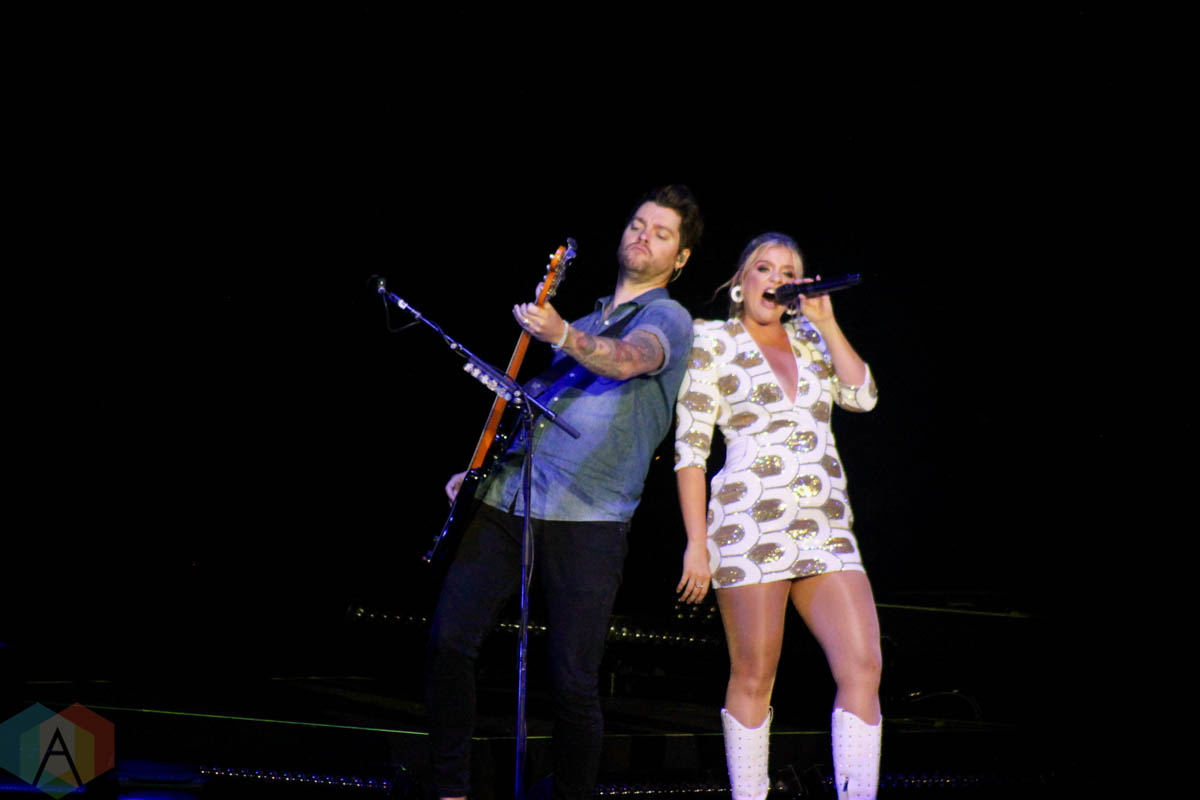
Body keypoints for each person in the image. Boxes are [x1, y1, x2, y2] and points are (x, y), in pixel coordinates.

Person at [427, 186, 702, 800]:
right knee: (449, 641)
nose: (643, 236)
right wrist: (480, 469)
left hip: (590, 517)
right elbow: (533, 411)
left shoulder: (669, 319)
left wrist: (562, 336)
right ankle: (449, 788)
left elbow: (627, 359)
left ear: (680, 258)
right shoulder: (587, 318)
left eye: (661, 233)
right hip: (510, 499)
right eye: (638, 224)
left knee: (573, 682)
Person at [674, 233, 881, 800]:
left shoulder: (811, 337)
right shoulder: (712, 340)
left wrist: (826, 322)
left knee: (863, 666)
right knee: (754, 675)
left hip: (826, 524)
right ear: (741, 283)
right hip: (749, 525)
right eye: (764, 268)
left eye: (788, 272)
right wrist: (696, 542)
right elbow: (690, 450)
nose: (776, 278)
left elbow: (862, 396)